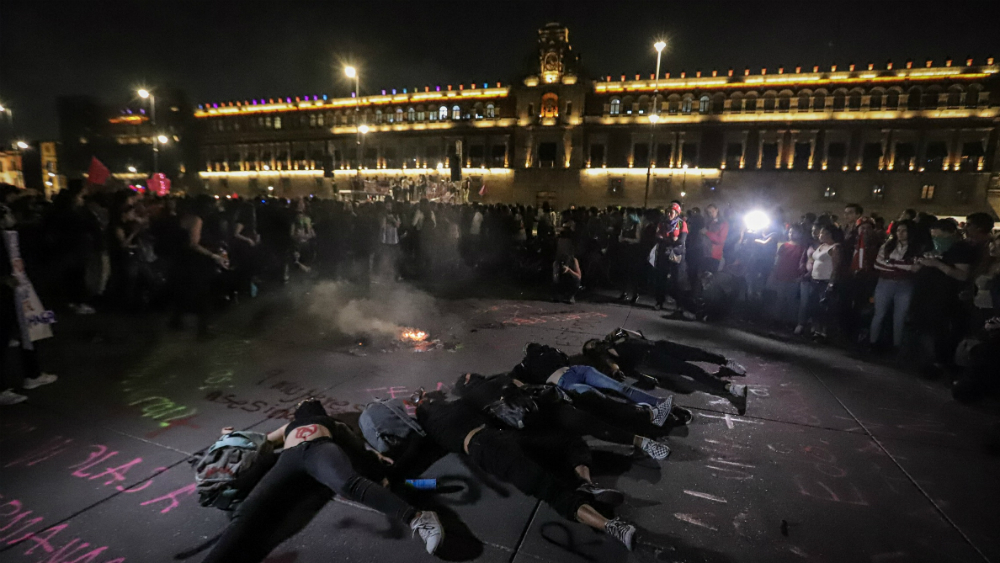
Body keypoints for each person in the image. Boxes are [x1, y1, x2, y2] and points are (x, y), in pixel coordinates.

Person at [202, 399, 444, 562]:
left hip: (318, 450)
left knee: (348, 484)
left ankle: (418, 517)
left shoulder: (330, 424)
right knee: (248, 511)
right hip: (290, 458)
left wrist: (375, 462)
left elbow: (356, 447)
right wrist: (229, 436)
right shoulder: (289, 427)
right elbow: (260, 441)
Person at [414, 392, 638, 550]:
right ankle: (610, 524)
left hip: (494, 442)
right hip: (491, 445)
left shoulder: (437, 425)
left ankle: (586, 486)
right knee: (551, 486)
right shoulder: (443, 417)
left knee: (562, 454)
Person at [454, 372, 671, 460]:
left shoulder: (471, 402)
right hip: (543, 412)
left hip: (529, 429)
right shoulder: (498, 379)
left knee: (577, 436)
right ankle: (643, 440)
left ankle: (644, 433)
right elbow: (527, 387)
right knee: (591, 422)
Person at [585, 328, 748, 415]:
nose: (596, 346)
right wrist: (615, 368)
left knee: (696, 353)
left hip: (657, 346)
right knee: (691, 373)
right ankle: (727, 388)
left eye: (594, 344)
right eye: (592, 348)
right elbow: (613, 365)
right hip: (651, 360)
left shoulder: (613, 337)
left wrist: (622, 334)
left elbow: (639, 336)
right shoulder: (607, 356)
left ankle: (725, 365)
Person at [1, 202, 58, 406]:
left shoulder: (12, 236)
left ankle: (32, 374)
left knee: (28, 331)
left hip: (19, 293)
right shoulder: (17, 236)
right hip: (10, 294)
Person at [911, 219, 975, 375]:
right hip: (925, 296)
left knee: (940, 334)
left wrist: (937, 264)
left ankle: (939, 364)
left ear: (951, 234)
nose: (936, 240)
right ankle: (923, 361)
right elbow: (915, 268)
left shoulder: (960, 249)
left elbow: (962, 275)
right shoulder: (932, 247)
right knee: (924, 330)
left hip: (945, 299)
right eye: (933, 236)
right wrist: (920, 263)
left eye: (940, 236)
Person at [869, 220, 921, 350]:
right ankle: (873, 342)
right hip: (885, 282)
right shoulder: (888, 245)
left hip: (905, 284)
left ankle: (897, 346)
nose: (900, 233)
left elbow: (916, 268)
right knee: (879, 314)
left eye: (904, 231)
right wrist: (905, 266)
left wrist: (890, 263)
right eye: (898, 230)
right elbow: (878, 264)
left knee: (900, 317)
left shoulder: (916, 248)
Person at [796, 223, 845, 340]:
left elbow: (836, 267)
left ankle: (823, 333)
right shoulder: (821, 246)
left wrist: (831, 284)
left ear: (829, 234)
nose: (819, 235)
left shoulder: (835, 248)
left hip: (825, 281)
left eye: (822, 233)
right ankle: (816, 330)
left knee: (824, 308)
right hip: (815, 280)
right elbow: (813, 259)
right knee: (814, 306)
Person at [654, 202, 695, 318]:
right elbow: (657, 237)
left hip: (676, 255)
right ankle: (659, 301)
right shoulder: (663, 223)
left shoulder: (682, 223)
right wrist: (671, 239)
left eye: (671, 212)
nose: (668, 214)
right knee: (660, 277)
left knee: (677, 280)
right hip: (664, 253)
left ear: (677, 213)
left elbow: (681, 241)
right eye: (667, 212)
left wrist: (667, 239)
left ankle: (679, 306)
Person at [768, 224, 808, 327]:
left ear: (800, 234)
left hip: (794, 277)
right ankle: (777, 319)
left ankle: (790, 321)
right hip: (781, 275)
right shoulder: (784, 246)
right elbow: (777, 260)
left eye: (794, 232)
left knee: (791, 300)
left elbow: (802, 263)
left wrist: (800, 276)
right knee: (780, 298)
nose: (791, 234)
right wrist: (774, 273)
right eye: (790, 232)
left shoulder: (802, 248)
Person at [552, 238, 582, 304]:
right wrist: (556, 272)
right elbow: (555, 279)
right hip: (561, 282)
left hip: (570, 282)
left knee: (576, 280)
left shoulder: (573, 260)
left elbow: (579, 276)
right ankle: (560, 295)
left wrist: (569, 271)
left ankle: (570, 296)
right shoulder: (557, 261)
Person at [704, 204, 728, 273]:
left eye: (712, 211)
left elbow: (721, 240)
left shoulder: (723, 223)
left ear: (717, 210)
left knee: (711, 274)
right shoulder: (710, 222)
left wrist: (707, 233)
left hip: (715, 254)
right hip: (706, 252)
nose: (711, 214)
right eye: (709, 212)